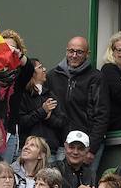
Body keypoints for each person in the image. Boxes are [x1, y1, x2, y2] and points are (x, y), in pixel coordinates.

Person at [46, 36, 109, 174]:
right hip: (61, 144)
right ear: (66, 51)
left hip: (85, 145)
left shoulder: (96, 77)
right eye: (71, 51)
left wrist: (91, 149)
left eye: (79, 52)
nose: (74, 55)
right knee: (59, 185)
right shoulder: (52, 76)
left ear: (87, 54)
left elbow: (102, 115)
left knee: (85, 186)